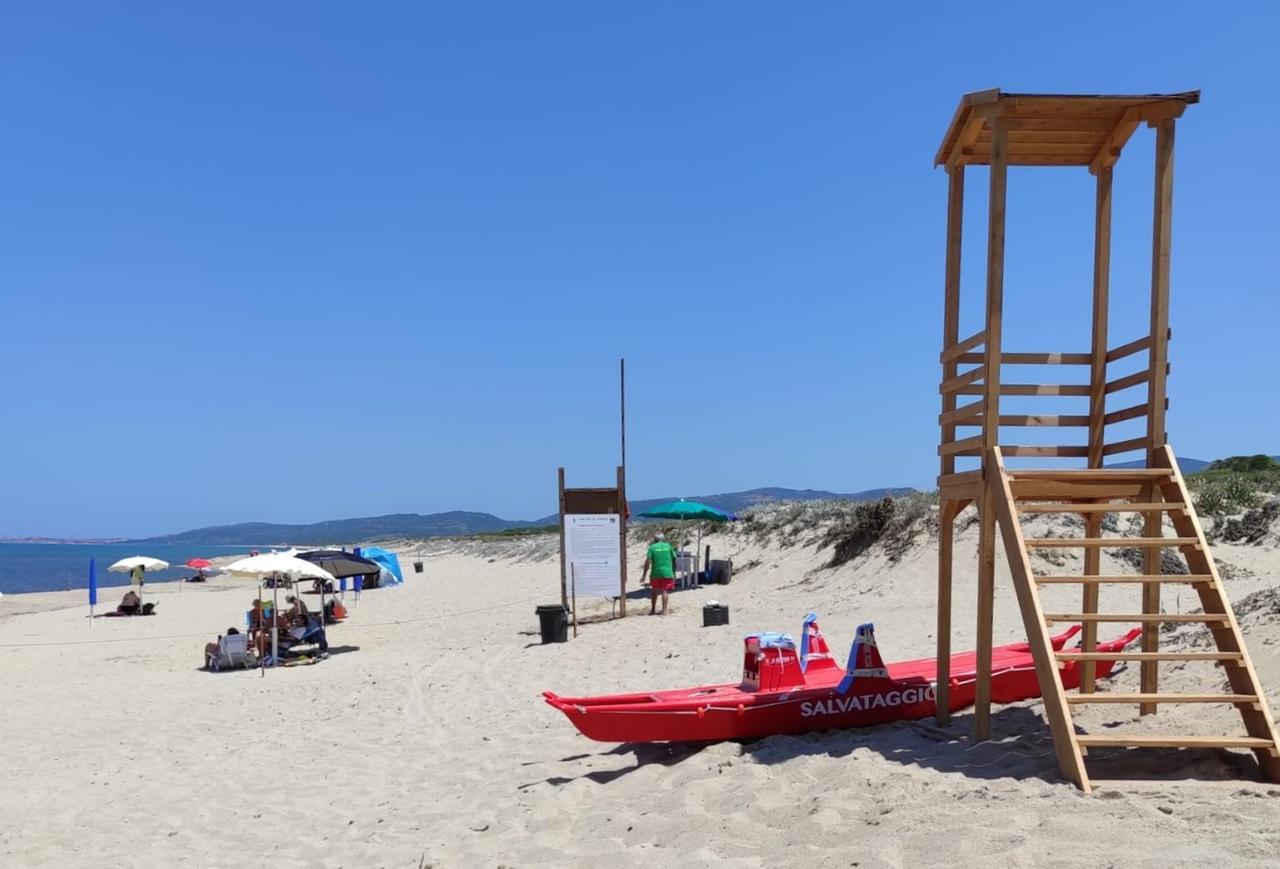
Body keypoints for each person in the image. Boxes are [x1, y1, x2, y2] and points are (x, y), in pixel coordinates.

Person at [642, 532, 678, 615]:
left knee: (654, 591)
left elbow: (647, 561)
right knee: (664, 591)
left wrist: (644, 574)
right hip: (667, 572)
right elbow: (674, 560)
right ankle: (665, 610)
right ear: (663, 539)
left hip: (656, 573)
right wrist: (673, 571)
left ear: (655, 539)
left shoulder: (652, 547)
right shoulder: (668, 546)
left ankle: (653, 610)